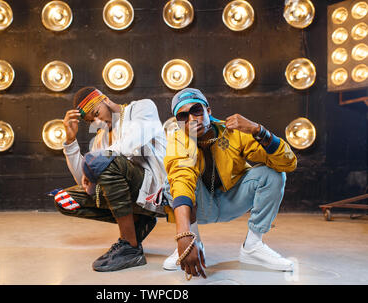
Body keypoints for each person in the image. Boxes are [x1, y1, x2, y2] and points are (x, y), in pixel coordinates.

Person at [162, 88, 297, 279]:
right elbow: (182, 179)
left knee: (273, 174)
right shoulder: (178, 139)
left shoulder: (234, 132)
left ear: (208, 111)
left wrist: (259, 131)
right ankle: (194, 244)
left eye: (197, 110)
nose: (192, 119)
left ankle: (253, 247)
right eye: (183, 116)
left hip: (232, 200)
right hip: (200, 206)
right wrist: (184, 236)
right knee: (172, 183)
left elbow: (288, 163)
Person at [54, 87, 167, 272]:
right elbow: (85, 181)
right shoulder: (102, 139)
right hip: (133, 198)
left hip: (155, 193)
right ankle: (139, 222)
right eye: (91, 121)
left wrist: (98, 162)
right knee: (65, 200)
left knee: (106, 162)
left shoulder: (141, 108)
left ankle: (130, 247)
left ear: (104, 99)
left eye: (97, 114)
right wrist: (70, 141)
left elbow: (132, 143)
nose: (98, 122)